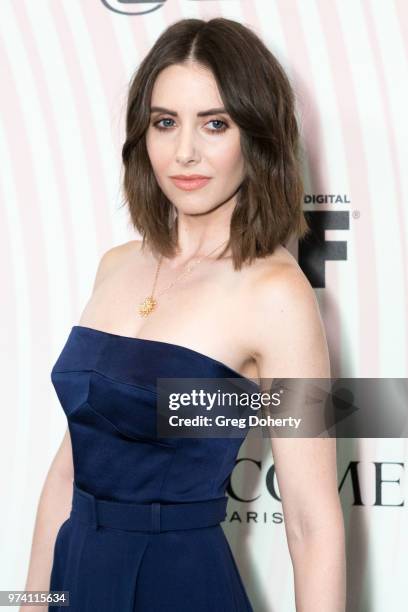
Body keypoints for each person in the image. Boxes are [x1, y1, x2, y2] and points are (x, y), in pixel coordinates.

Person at [22, 17, 346, 612]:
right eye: (165, 123)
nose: (185, 152)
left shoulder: (278, 293)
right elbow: (67, 475)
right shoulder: (115, 266)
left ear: (257, 136)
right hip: (77, 573)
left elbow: (309, 520)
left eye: (215, 124)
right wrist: (30, 600)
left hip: (179, 586)